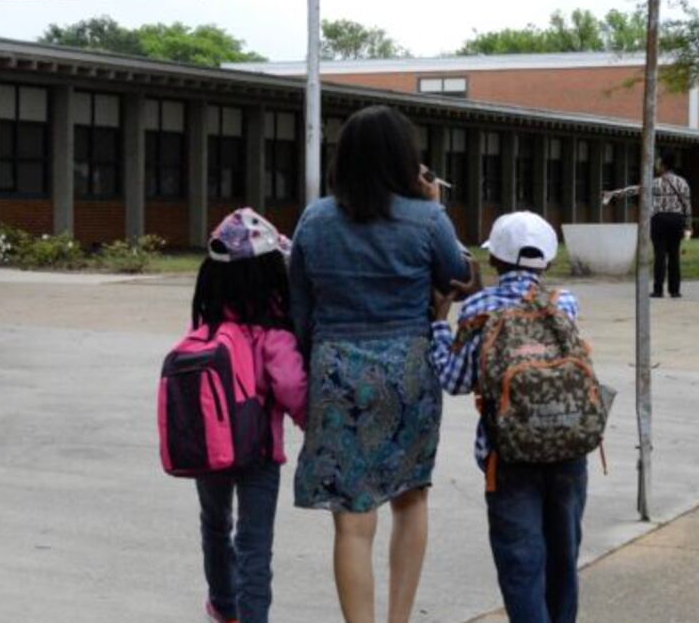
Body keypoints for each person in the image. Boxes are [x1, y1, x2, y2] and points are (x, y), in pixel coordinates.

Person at [289, 105, 475, 623]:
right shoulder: (427, 218)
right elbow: (458, 276)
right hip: (408, 370)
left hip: (336, 370)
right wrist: (435, 206)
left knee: (352, 520)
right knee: (410, 496)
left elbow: (299, 309)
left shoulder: (314, 219)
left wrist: (314, 366)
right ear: (404, 158)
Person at [429, 212, 589, 623]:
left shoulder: (479, 308)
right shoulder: (565, 303)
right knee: (563, 557)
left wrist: (439, 325)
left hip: (508, 456)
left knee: (521, 562)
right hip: (569, 448)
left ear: (494, 260)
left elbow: (455, 380)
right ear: (548, 262)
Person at [189, 209, 308, 623]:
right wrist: (311, 423)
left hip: (209, 448)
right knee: (255, 544)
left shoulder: (204, 329)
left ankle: (223, 606)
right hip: (259, 452)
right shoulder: (271, 332)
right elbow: (291, 386)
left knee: (215, 524)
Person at [603, 154, 692, 298]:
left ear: (663, 166)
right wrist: (688, 224)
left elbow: (635, 190)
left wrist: (614, 193)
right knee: (674, 255)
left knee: (659, 254)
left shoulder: (654, 182)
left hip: (659, 219)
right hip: (677, 219)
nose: (657, 166)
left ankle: (658, 290)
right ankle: (675, 290)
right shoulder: (683, 183)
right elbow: (687, 205)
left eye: (659, 164)